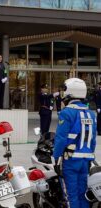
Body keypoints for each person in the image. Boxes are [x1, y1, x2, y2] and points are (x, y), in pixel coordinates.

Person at [53, 78, 96, 208]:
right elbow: (93, 139)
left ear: (70, 92)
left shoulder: (67, 113)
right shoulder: (91, 114)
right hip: (86, 160)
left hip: (70, 160)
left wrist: (56, 158)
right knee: (83, 194)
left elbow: (61, 138)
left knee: (71, 195)